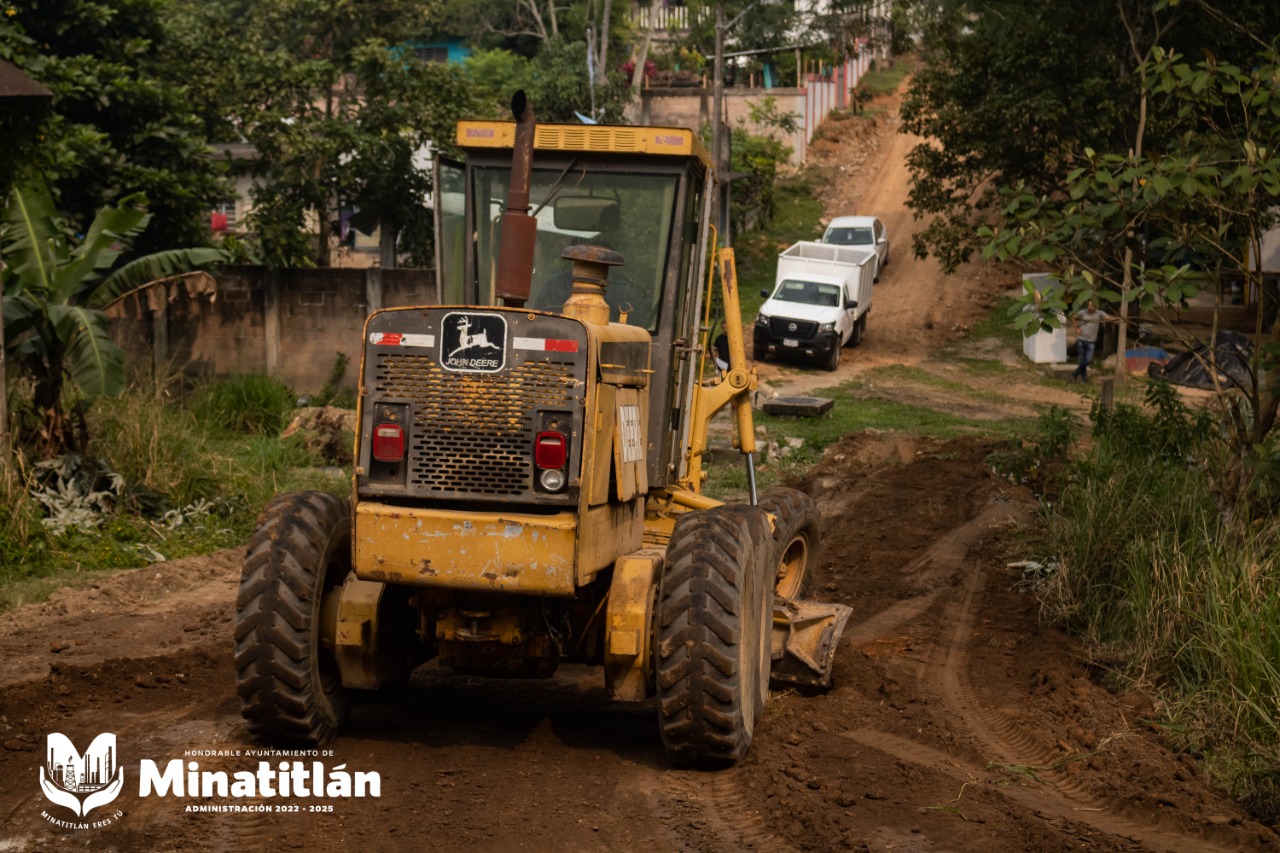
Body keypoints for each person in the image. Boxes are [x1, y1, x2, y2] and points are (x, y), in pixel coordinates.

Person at [1070, 299, 1112, 383]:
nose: (1090, 307)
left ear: (1095, 306)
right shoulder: (1083, 312)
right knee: (1082, 360)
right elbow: (1073, 317)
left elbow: (1108, 318)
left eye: (1092, 306)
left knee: (1088, 360)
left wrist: (1118, 318)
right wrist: (1076, 328)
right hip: (1081, 339)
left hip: (1091, 341)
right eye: (1089, 305)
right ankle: (1084, 379)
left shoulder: (1099, 313)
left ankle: (1075, 372)